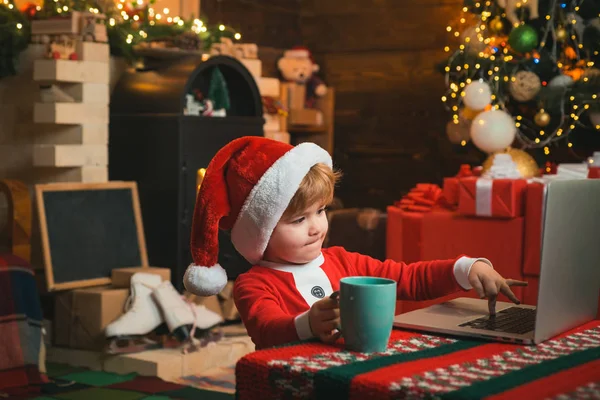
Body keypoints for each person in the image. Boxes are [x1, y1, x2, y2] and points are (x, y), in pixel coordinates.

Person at [184, 137, 526, 349]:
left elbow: (408, 278)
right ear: (262, 231)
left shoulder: (344, 261)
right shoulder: (253, 284)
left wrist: (466, 268)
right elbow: (266, 329)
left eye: (321, 211)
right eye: (299, 219)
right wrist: (306, 323)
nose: (316, 227)